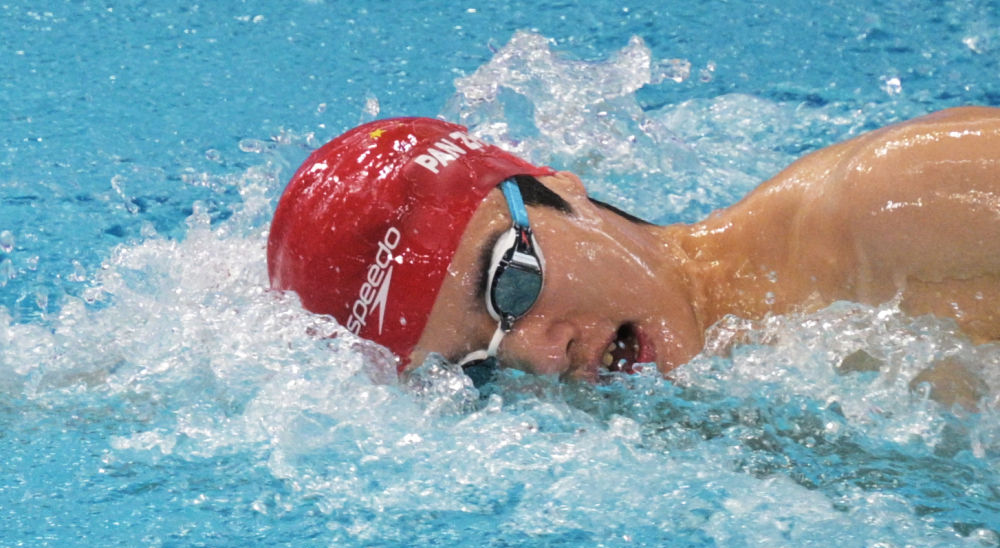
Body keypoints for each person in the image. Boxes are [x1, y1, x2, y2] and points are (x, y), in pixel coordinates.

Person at [268, 108, 1000, 383]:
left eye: (510, 285)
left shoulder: (884, 208)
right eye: (481, 369)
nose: (541, 358)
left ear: (560, 188)